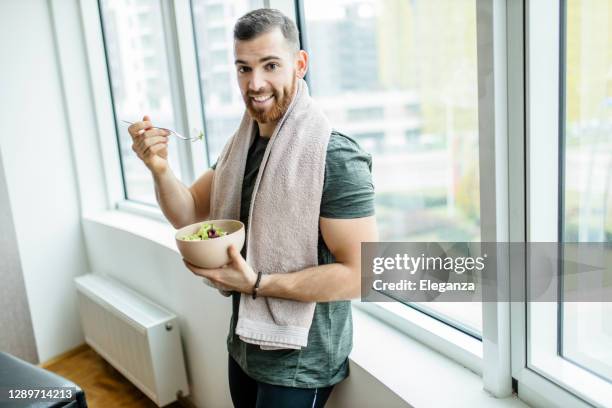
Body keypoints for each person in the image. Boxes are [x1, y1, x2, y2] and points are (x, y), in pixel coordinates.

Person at [127, 8, 377, 408]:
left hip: (300, 363)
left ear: (300, 64)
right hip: (244, 343)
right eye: (244, 68)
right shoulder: (240, 146)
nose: (255, 84)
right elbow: (190, 212)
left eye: (270, 65)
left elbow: (361, 274)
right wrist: (158, 168)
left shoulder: (334, 156)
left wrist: (257, 283)